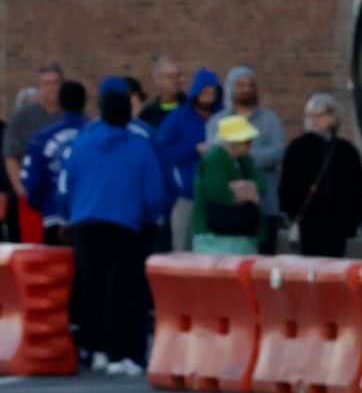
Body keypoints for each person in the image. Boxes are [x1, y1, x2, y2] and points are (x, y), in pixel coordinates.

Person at [61, 84, 169, 369]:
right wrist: (146, 217)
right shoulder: (140, 149)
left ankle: (94, 348)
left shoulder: (82, 145)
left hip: (85, 222)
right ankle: (121, 353)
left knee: (91, 288)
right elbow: (154, 195)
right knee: (122, 291)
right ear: (128, 117)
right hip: (123, 224)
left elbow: (68, 184)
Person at [278, 94, 362, 260]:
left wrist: (353, 221)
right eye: (309, 116)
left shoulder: (345, 150)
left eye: (319, 115)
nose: (313, 121)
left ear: (332, 117)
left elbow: (357, 189)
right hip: (308, 224)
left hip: (338, 225)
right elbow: (287, 186)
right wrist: (294, 214)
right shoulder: (297, 149)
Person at [150, 68, 223, 241]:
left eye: (212, 93)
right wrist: (194, 149)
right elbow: (163, 152)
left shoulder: (222, 117)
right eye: (204, 93)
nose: (208, 97)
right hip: (185, 194)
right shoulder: (178, 118)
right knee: (182, 243)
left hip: (217, 194)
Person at [190, 114, 269, 255]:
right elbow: (219, 192)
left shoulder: (244, 161)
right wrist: (249, 192)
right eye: (245, 140)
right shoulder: (214, 159)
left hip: (243, 233)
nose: (249, 144)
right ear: (232, 142)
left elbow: (262, 185)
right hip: (214, 236)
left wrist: (241, 187)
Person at [19, 79, 87, 238]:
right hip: (88, 217)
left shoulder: (43, 137)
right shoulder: (94, 136)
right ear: (84, 102)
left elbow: (33, 181)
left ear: (61, 103)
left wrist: (38, 203)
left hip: (53, 215)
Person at [221, 67, 285, 181]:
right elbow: (215, 151)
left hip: (266, 190)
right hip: (229, 191)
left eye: (251, 85)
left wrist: (242, 157)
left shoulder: (270, 119)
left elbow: (278, 152)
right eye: (241, 85)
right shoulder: (219, 120)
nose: (247, 89)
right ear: (231, 88)